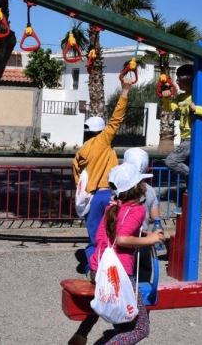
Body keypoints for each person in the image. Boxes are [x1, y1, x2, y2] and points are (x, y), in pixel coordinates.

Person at [70, 163, 164, 345]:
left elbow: (100, 237)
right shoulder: (137, 210)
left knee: (118, 317)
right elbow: (121, 239)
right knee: (141, 328)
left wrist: (141, 235)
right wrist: (149, 239)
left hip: (98, 269)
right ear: (138, 188)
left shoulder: (112, 208)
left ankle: (82, 334)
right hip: (119, 276)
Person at [73, 76, 132, 271]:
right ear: (101, 131)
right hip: (109, 194)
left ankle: (93, 267)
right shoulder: (102, 141)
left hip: (91, 197)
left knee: (93, 235)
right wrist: (124, 92)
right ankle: (113, 266)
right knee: (112, 233)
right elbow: (116, 119)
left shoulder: (82, 151)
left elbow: (78, 177)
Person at [161, 64, 202, 185]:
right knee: (186, 172)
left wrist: (196, 109)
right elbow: (169, 109)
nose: (177, 82)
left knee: (170, 161)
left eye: (179, 79)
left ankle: (200, 178)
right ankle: (191, 192)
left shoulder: (201, 96)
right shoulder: (181, 97)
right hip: (184, 138)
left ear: (189, 79)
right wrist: (166, 98)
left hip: (193, 138)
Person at [123, 148, 160, 232]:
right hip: (142, 236)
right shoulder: (150, 190)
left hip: (122, 235)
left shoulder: (120, 188)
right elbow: (156, 218)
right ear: (147, 168)